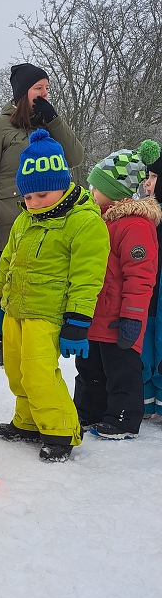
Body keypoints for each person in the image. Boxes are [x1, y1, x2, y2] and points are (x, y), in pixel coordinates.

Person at [0, 129, 109, 462]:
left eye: (42, 195)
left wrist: (78, 320)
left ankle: (61, 429)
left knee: (40, 372)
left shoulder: (84, 222)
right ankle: (28, 421)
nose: (34, 203)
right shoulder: (25, 221)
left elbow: (87, 277)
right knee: (16, 371)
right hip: (17, 309)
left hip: (49, 313)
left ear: (63, 183)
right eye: (28, 197)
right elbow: (8, 261)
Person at [0, 63, 84, 366]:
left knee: (38, 285)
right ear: (23, 93)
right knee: (7, 284)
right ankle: (1, 337)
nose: (45, 94)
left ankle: (34, 340)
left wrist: (55, 121)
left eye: (47, 88)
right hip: (8, 223)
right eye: (39, 88)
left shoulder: (47, 128)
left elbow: (76, 158)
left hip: (47, 222)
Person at [74, 141, 161, 439]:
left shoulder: (134, 225)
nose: (91, 190)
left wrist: (133, 317)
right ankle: (87, 412)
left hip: (118, 318)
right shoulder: (98, 221)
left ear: (116, 191)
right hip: (95, 315)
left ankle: (124, 418)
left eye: (96, 186)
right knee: (89, 369)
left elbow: (140, 275)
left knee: (121, 371)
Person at [141, 153, 162, 419]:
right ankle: (147, 403)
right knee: (147, 346)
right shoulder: (149, 214)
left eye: (154, 176)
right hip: (151, 291)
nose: (148, 182)